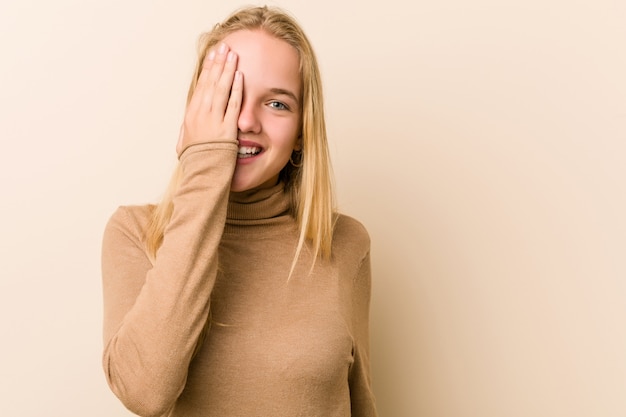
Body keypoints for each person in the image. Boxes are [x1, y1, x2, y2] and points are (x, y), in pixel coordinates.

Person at [101, 5, 377, 417]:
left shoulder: (346, 244)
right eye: (229, 95)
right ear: (197, 110)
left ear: (302, 131)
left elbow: (361, 402)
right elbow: (145, 393)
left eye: (278, 104)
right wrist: (204, 166)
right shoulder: (134, 234)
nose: (246, 120)